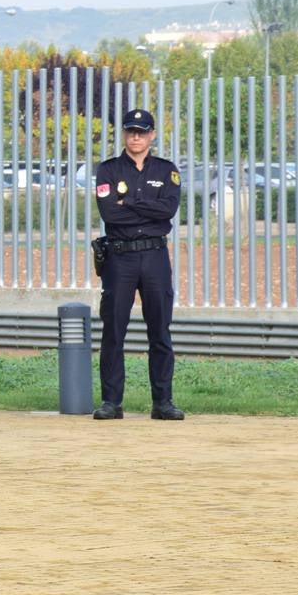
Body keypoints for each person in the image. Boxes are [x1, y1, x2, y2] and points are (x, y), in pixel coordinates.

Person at [92, 108, 185, 421]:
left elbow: (168, 210)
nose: (136, 136)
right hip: (120, 257)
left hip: (155, 257)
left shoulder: (167, 170)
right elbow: (110, 215)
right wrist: (148, 208)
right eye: (131, 131)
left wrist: (129, 201)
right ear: (124, 134)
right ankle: (111, 403)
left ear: (152, 135)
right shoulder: (108, 170)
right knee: (114, 331)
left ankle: (163, 403)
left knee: (160, 331)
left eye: (142, 131)